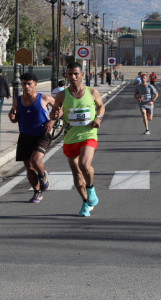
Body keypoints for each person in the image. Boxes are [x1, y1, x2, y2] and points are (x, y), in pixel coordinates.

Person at [50, 62, 105, 217]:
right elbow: (54, 114)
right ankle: (85, 201)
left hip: (88, 135)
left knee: (84, 165)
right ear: (66, 76)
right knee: (76, 173)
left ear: (82, 75)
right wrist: (53, 115)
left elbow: (101, 106)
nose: (73, 77)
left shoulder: (92, 92)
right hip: (70, 137)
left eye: (76, 74)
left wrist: (99, 118)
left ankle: (91, 188)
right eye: (69, 74)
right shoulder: (61, 95)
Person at [8, 73, 55, 203]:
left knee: (35, 161)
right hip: (25, 135)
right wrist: (12, 118)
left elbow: (59, 108)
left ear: (35, 84)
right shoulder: (17, 100)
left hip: (42, 134)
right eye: (24, 83)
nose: (26, 86)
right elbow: (15, 117)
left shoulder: (44, 98)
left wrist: (52, 121)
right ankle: (37, 192)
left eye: (29, 83)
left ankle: (42, 175)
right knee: (29, 167)